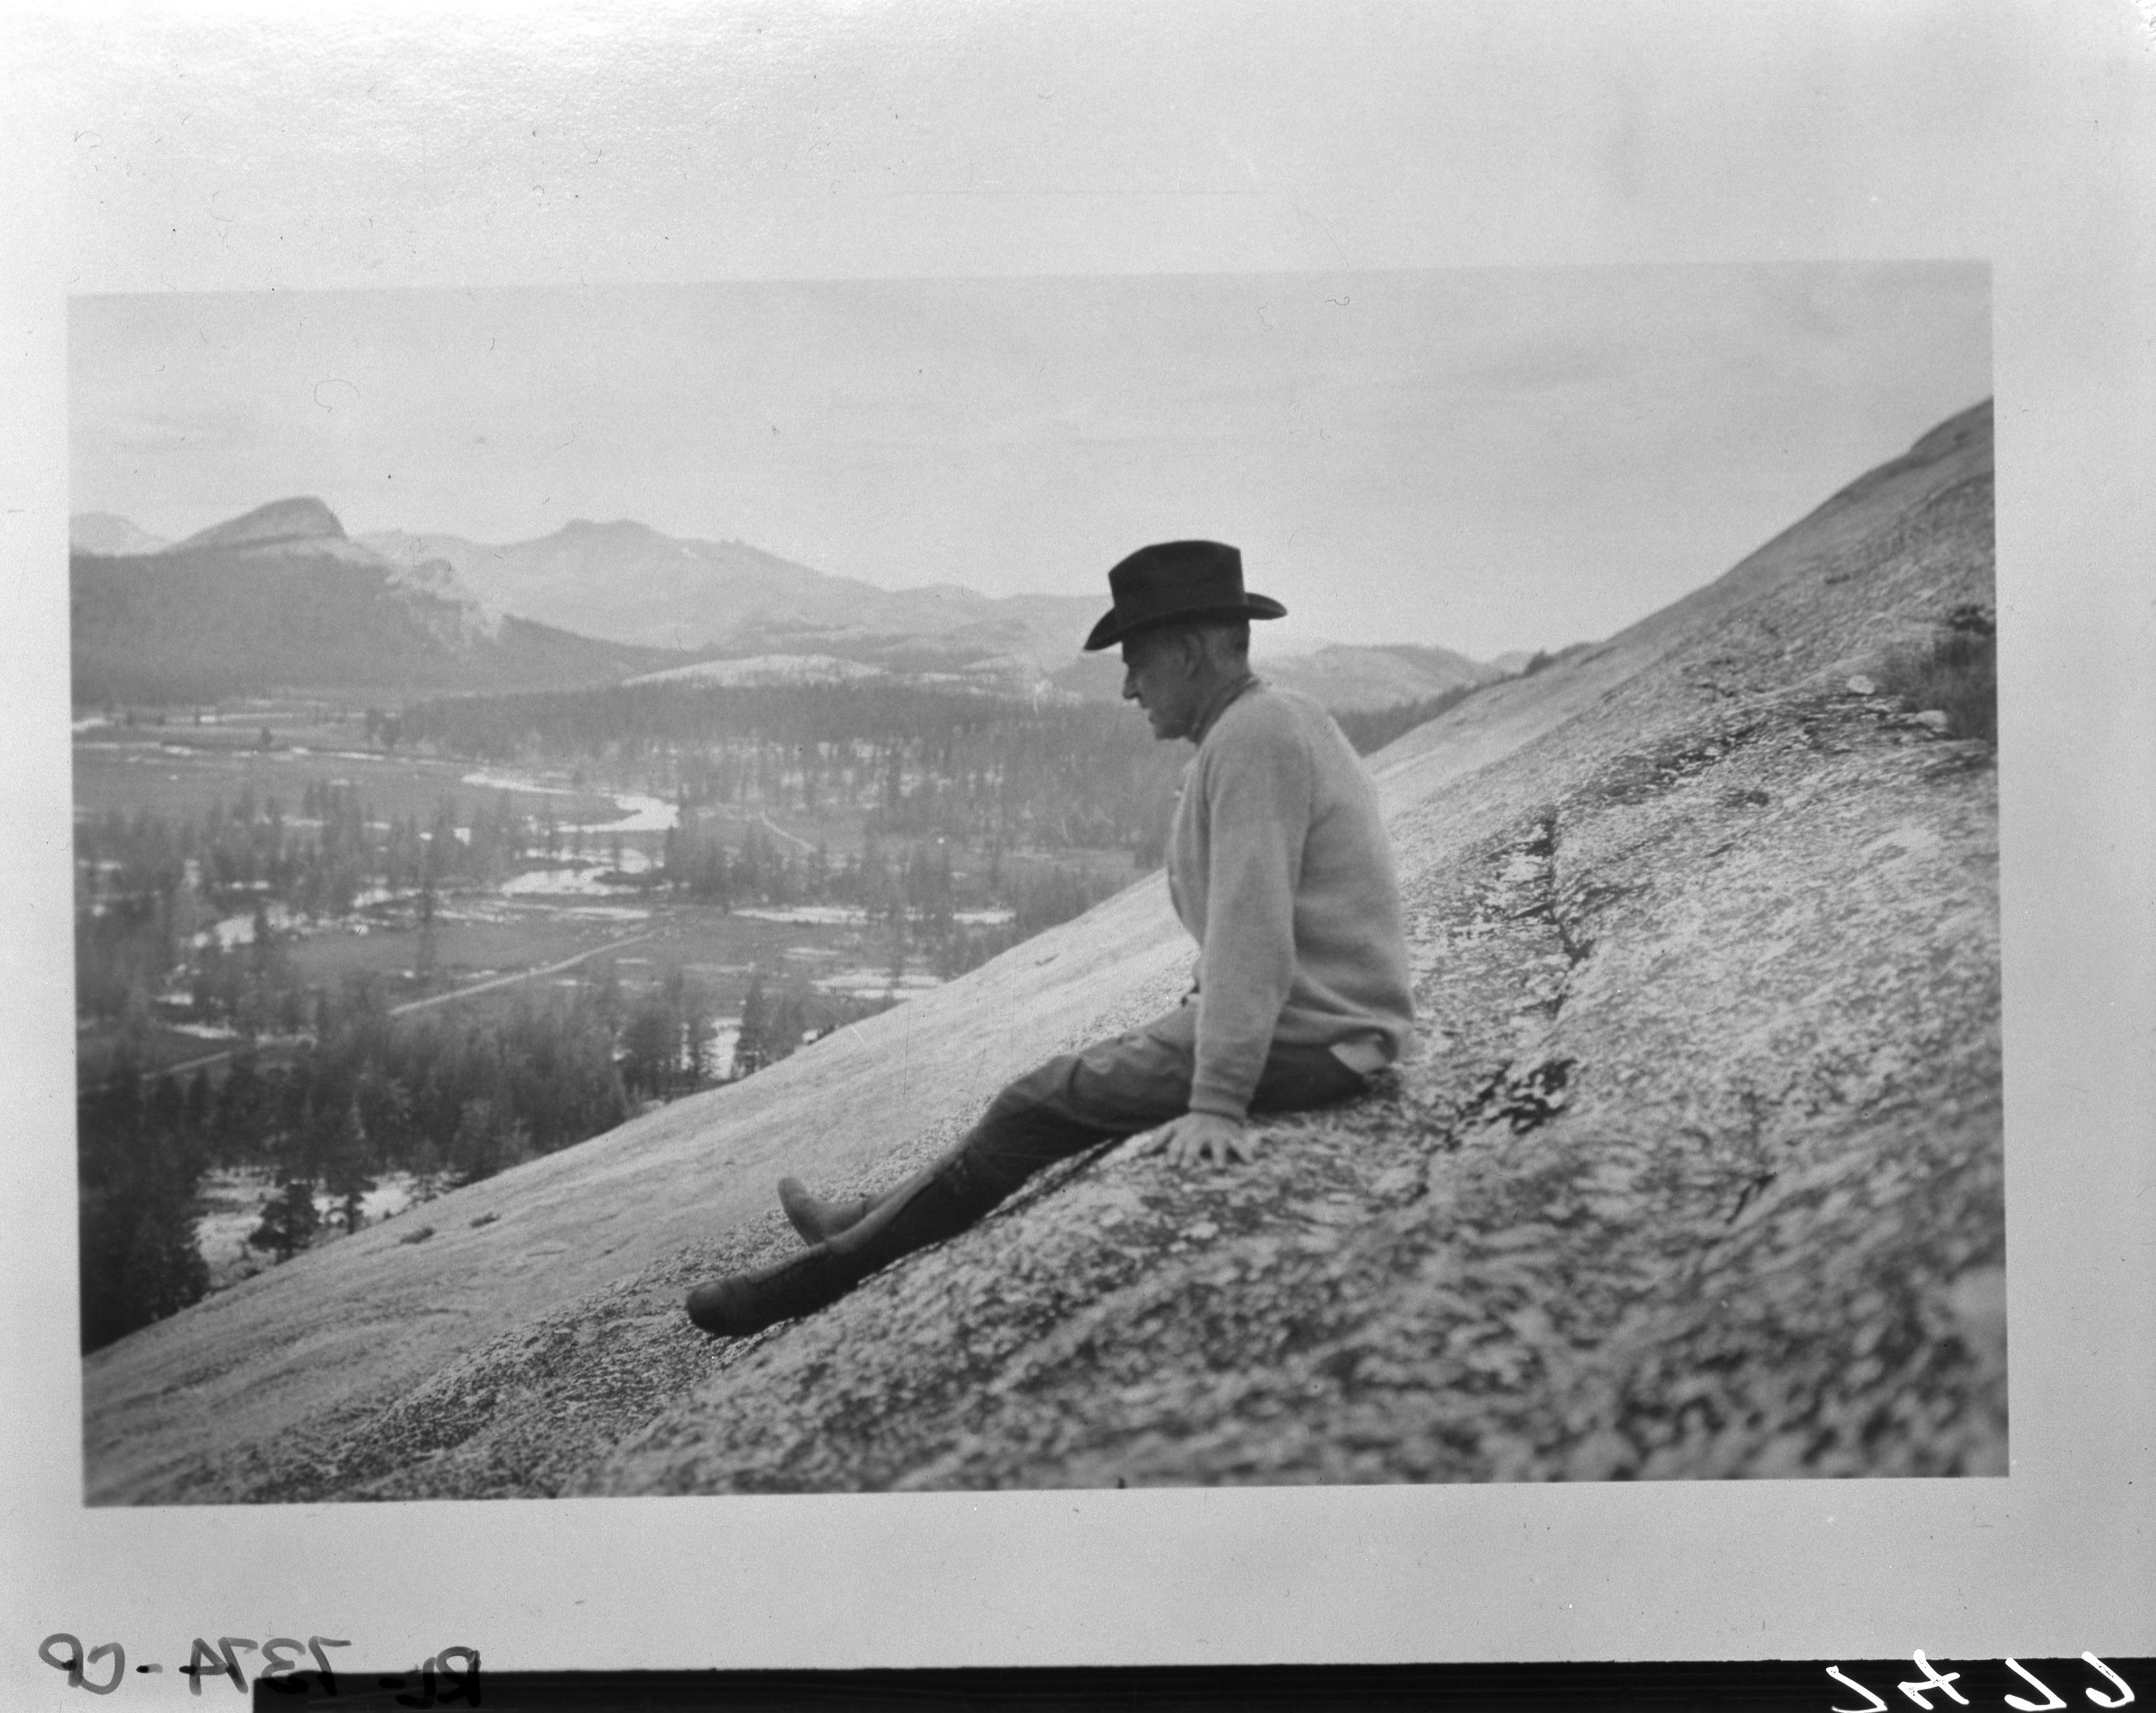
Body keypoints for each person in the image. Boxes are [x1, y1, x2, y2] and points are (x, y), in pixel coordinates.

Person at [685, 539, 1415, 1338]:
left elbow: (1253, 929)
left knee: (1034, 1103)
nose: (1129, 684)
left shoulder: (1253, 737)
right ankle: (857, 1220)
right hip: (1314, 1026)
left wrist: (1216, 1100)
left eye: (1137, 660)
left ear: (1191, 651)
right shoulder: (1270, 721)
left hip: (1311, 1037)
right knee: (1046, 1095)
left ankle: (804, 1282)